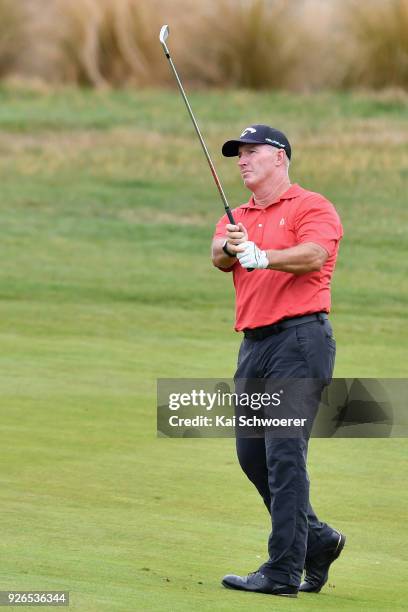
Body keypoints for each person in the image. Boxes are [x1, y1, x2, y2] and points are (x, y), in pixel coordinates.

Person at [211, 124, 345, 598]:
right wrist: (233, 246)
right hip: (255, 346)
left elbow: (314, 254)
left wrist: (264, 256)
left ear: (280, 157)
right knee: (253, 457)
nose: (242, 160)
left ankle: (283, 572)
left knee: (285, 454)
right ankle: (320, 540)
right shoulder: (239, 215)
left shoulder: (312, 206)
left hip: (300, 340)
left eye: (252, 152)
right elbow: (218, 255)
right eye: (238, 154)